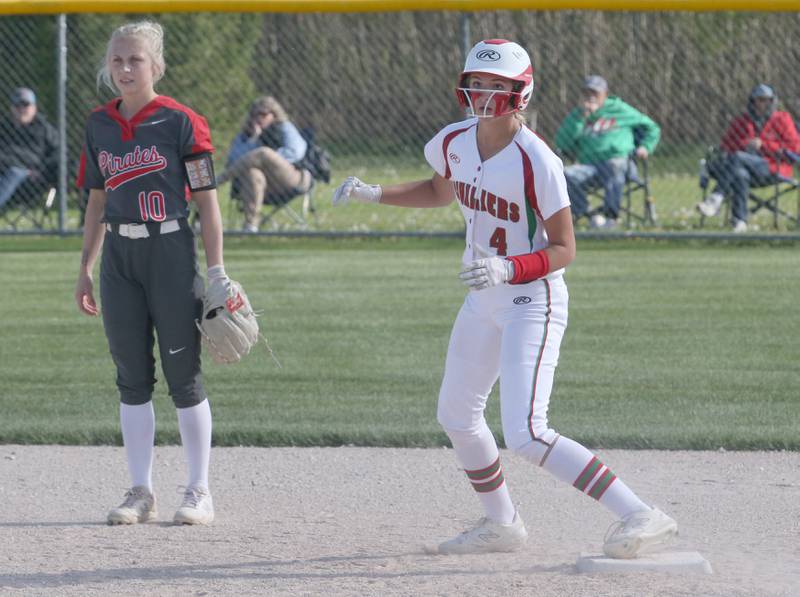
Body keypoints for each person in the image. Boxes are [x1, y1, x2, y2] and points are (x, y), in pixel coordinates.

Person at [331, 39, 677, 558]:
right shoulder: (453, 139)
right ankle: (502, 523)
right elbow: (437, 189)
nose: (484, 94)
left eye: (497, 86)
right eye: (477, 83)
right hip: (483, 300)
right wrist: (374, 192)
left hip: (531, 300)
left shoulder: (537, 158)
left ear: (521, 93)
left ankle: (640, 513)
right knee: (456, 414)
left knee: (528, 432)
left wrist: (508, 266)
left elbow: (565, 248)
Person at [75, 21, 228, 526]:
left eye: (134, 60)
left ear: (156, 66)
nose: (123, 68)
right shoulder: (99, 124)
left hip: (169, 250)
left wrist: (218, 271)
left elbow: (207, 204)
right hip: (120, 257)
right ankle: (140, 490)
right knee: (131, 378)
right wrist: (86, 268)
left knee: (184, 377)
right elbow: (97, 199)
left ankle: (198, 489)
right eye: (117, 59)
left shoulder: (183, 122)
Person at [555, 75, 660, 229]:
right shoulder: (577, 115)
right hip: (591, 169)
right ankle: (591, 215)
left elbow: (652, 127)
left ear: (604, 94)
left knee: (614, 165)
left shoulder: (619, 109)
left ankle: (611, 217)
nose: (591, 97)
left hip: (622, 165)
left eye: (595, 93)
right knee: (563, 175)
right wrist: (581, 118)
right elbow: (562, 143)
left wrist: (645, 147)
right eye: (587, 93)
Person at [696, 84, 800, 232]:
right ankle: (740, 222)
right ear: (752, 101)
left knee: (737, 158)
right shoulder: (742, 120)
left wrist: (764, 145)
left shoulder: (782, 119)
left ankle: (716, 197)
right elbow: (726, 144)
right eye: (759, 100)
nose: (762, 103)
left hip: (772, 167)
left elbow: (794, 147)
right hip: (744, 167)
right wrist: (746, 144)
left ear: (772, 101)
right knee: (740, 173)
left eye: (766, 100)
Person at [217, 96, 313, 232]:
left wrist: (269, 159)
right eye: (255, 114)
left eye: (263, 114)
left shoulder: (284, 127)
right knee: (253, 173)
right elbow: (234, 158)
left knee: (264, 153)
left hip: (291, 178)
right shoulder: (246, 135)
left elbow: (296, 151)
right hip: (262, 185)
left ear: (274, 115)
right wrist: (255, 139)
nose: (258, 118)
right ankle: (251, 226)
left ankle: (217, 182)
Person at [0, 87, 59, 211]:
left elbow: (58, 154)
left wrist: (42, 171)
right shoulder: (4, 127)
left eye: (25, 105)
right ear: (11, 108)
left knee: (14, 172)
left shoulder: (44, 129)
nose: (21, 109)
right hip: (3, 170)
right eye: (17, 105)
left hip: (31, 180)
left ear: (34, 108)